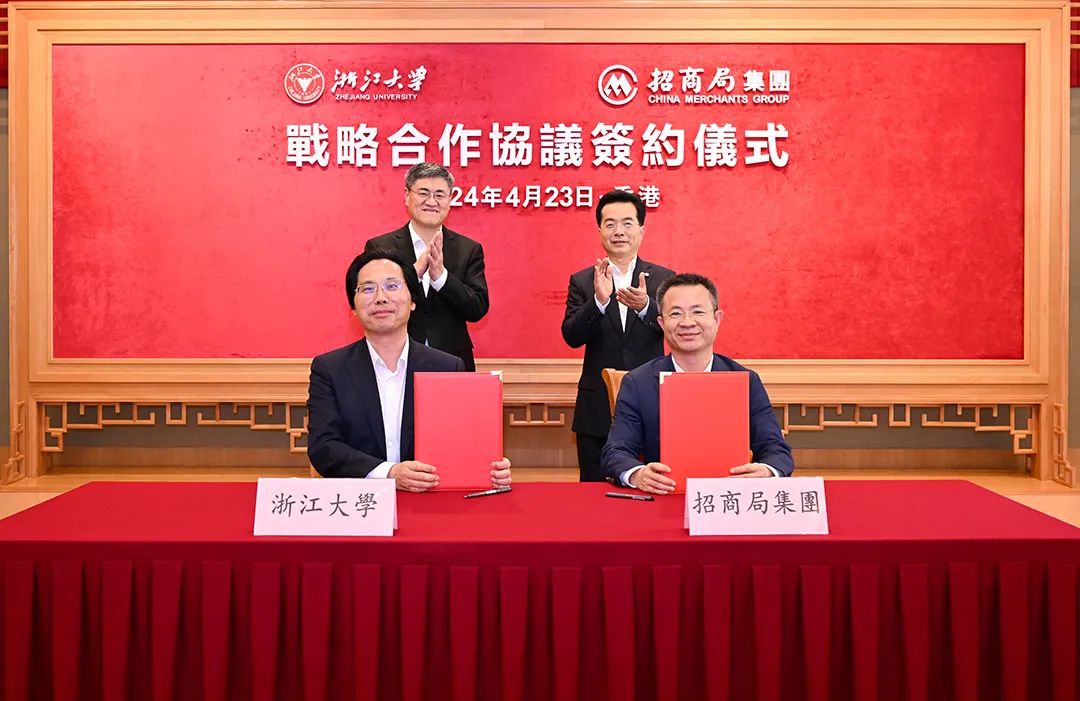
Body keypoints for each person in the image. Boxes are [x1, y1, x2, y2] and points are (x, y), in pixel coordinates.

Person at [307, 249, 511, 491]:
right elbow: (324, 448)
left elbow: (462, 442)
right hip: (362, 502)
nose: (381, 298)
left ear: (413, 301)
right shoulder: (329, 369)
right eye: (368, 288)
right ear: (353, 306)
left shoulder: (446, 367)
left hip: (427, 500)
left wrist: (489, 467)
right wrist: (390, 473)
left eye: (392, 286)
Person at [601, 273, 794, 494]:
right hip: (663, 496)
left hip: (730, 500)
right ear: (662, 323)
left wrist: (767, 471)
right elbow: (615, 451)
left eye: (698, 312)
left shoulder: (745, 380)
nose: (687, 322)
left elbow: (776, 449)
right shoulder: (638, 382)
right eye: (676, 313)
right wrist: (637, 474)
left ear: (717, 319)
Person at [562, 190, 674, 482]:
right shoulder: (583, 280)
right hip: (596, 408)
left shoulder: (664, 279)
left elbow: (677, 332)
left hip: (652, 403)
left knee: (654, 487)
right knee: (593, 494)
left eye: (627, 223)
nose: (619, 231)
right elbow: (571, 336)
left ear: (641, 230)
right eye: (610, 224)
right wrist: (598, 302)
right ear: (599, 231)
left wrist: (646, 307)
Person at [364, 162, 489, 371]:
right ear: (407, 196)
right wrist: (412, 275)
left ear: (450, 199)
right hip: (394, 360)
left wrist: (441, 278)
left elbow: (477, 309)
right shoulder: (381, 247)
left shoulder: (469, 249)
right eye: (423, 193)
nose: (431, 201)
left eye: (439, 194)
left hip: (452, 361)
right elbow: (371, 302)